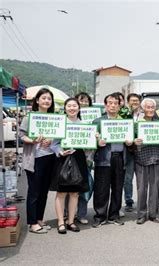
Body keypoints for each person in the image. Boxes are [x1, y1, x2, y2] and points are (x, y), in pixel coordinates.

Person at [92, 93, 133, 228]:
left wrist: (129, 142)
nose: (113, 105)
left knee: (117, 188)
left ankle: (114, 215)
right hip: (104, 158)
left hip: (120, 157)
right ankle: (100, 216)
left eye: (115, 103)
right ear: (105, 105)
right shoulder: (98, 121)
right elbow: (90, 141)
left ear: (119, 105)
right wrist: (98, 142)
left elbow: (130, 140)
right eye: (110, 103)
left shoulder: (125, 121)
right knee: (101, 188)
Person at [19, 87, 57, 234]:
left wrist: (51, 140)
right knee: (34, 191)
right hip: (35, 159)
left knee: (44, 191)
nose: (47, 101)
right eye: (44, 98)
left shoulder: (54, 118)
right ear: (37, 100)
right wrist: (33, 141)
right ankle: (32, 222)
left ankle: (39, 219)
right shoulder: (30, 117)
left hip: (50, 157)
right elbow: (21, 135)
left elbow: (59, 136)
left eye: (49, 98)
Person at [50, 98, 89, 234]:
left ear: (79, 108)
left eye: (74, 106)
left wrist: (94, 138)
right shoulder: (60, 123)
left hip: (78, 158)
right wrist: (60, 151)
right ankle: (61, 222)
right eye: (69, 106)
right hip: (63, 158)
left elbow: (88, 145)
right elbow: (53, 144)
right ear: (65, 108)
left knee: (74, 192)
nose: (72, 108)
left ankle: (71, 221)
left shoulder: (85, 124)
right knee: (61, 192)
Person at [132, 98, 159, 224]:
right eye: (147, 107)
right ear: (143, 109)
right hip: (141, 158)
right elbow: (130, 140)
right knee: (141, 188)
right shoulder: (137, 124)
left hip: (156, 157)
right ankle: (142, 214)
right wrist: (134, 142)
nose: (150, 110)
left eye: (152, 107)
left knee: (155, 187)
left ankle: (154, 214)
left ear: (155, 109)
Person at [123, 93, 142, 212]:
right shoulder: (123, 116)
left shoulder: (145, 114)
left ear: (140, 102)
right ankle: (129, 201)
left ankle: (142, 200)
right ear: (128, 102)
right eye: (132, 101)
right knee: (128, 178)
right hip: (128, 151)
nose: (134, 103)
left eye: (136, 101)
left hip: (141, 150)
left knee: (141, 178)